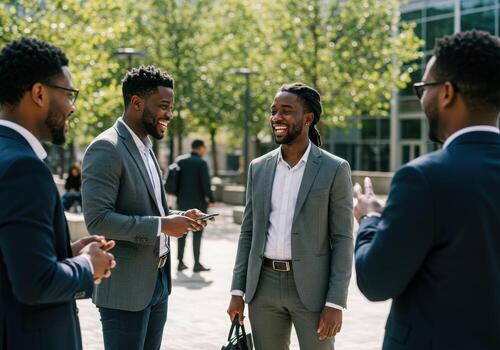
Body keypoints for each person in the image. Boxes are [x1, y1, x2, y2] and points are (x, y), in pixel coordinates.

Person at [353, 30, 500, 350]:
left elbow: (376, 280)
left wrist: (369, 219)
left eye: (423, 88)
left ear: (446, 93)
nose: (422, 99)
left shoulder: (424, 179)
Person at [82, 65, 211, 350]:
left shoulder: (146, 146)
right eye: (164, 106)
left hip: (157, 283)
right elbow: (98, 220)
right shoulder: (106, 148)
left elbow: (147, 208)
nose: (169, 114)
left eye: (172, 107)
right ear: (137, 103)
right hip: (125, 289)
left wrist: (179, 217)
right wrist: (163, 226)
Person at [0, 38, 116, 350]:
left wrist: (65, 251)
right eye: (68, 94)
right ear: (39, 93)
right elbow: (35, 283)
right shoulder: (24, 168)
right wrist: (89, 265)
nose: (73, 106)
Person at [227, 83, 354, 350]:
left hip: (313, 289)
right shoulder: (258, 168)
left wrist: (335, 302)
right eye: (274, 111)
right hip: (262, 288)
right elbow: (248, 232)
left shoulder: (335, 169)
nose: (276, 117)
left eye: (286, 110)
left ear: (308, 118)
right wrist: (237, 291)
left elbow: (342, 239)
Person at [175, 139, 215, 272]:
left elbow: (175, 183)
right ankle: (196, 263)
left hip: (182, 203)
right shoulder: (201, 163)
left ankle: (180, 262)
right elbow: (206, 184)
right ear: (200, 148)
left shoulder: (180, 161)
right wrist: (211, 198)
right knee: (197, 233)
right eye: (205, 147)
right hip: (198, 204)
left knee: (182, 233)